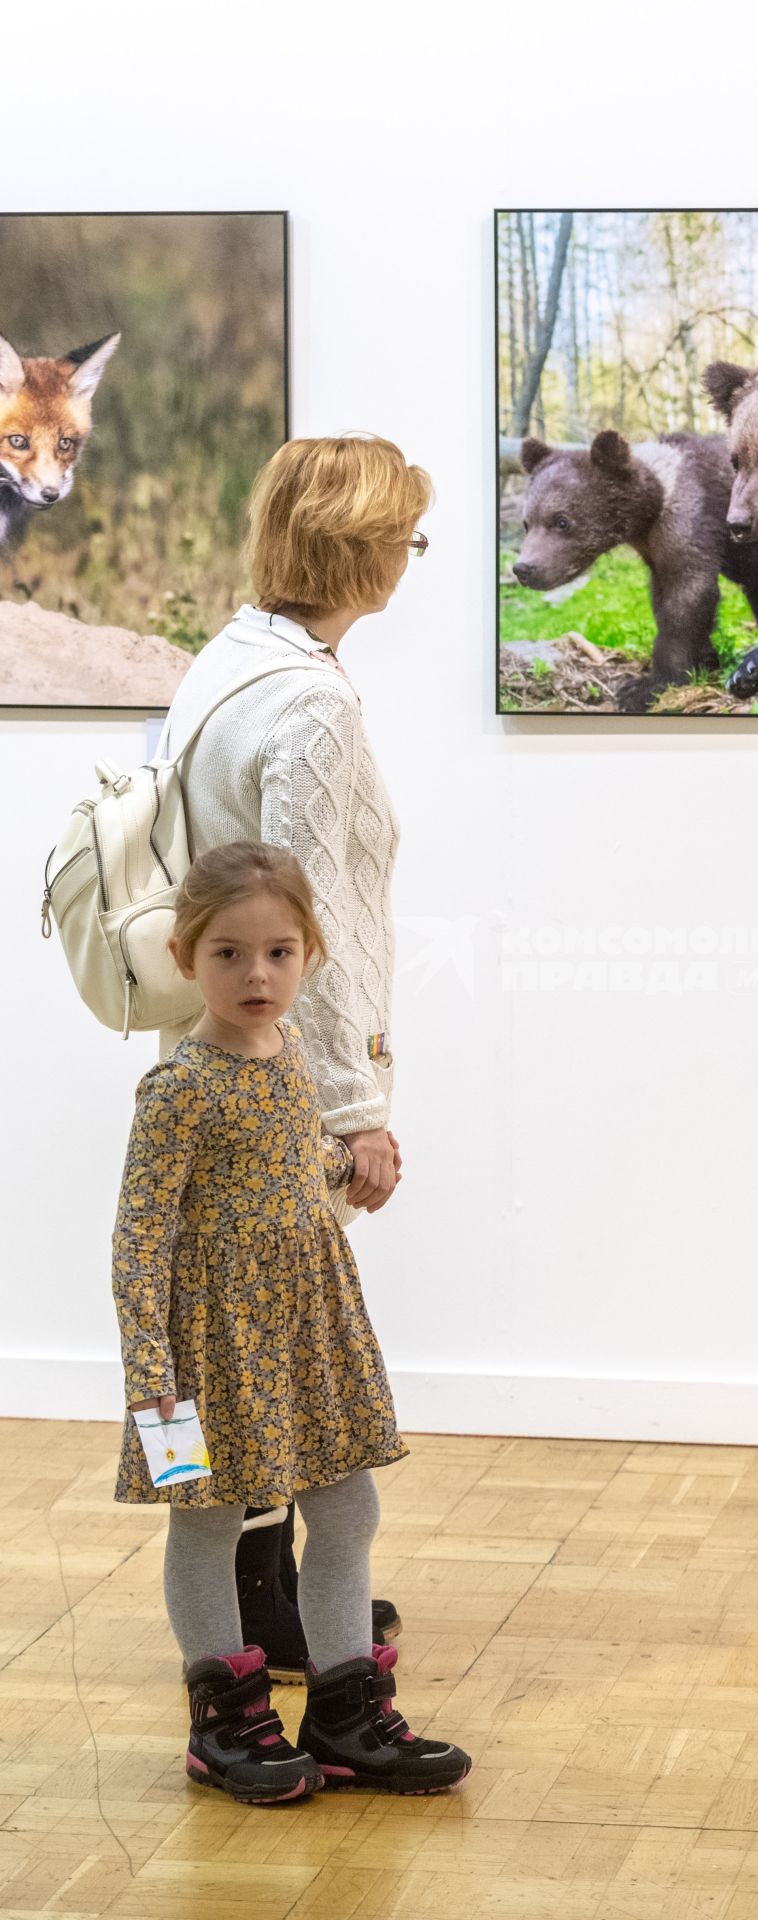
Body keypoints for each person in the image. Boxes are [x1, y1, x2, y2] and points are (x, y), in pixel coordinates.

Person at [113, 841, 471, 1803]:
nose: (256, 974)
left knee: (347, 1506)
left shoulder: (293, 1055)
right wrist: (151, 1371)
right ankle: (223, 1725)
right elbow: (141, 1237)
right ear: (186, 960)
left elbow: (278, 1166)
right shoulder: (177, 1091)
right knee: (209, 1517)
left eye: (277, 951)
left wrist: (343, 1163)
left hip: (307, 1331)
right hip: (203, 1353)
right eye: (228, 954)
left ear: (309, 952)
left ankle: (346, 1710)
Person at [158, 434, 430, 1671]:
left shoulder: (226, 660)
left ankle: (268, 1605)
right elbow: (303, 912)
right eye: (405, 540)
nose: (408, 562)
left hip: (217, 1052)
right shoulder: (311, 700)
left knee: (241, 1357)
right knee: (271, 1359)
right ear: (361, 552)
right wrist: (352, 1110)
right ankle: (264, 1623)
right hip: (280, 1089)